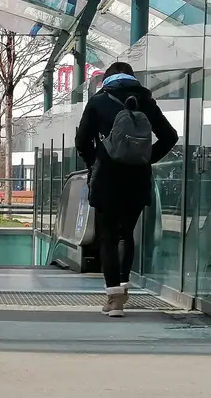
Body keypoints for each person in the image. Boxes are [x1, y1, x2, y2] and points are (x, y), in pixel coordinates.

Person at [75, 61, 179, 316]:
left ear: (106, 80)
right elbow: (170, 136)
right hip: (137, 179)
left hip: (106, 179)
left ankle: (114, 300)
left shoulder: (98, 102)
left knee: (107, 237)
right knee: (126, 234)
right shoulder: (145, 100)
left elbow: (81, 140)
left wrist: (94, 161)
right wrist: (147, 159)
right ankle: (124, 285)